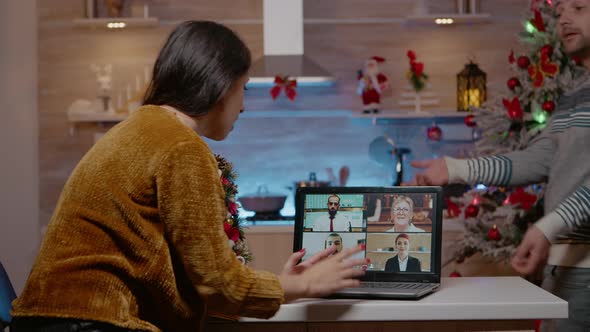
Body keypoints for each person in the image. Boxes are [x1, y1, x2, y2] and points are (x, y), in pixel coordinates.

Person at [10, 21, 369, 332]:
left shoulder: (142, 128)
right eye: (244, 88)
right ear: (220, 85)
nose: (243, 105)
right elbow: (218, 284)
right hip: (92, 323)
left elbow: (194, 277)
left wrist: (284, 284)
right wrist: (305, 285)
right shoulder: (181, 147)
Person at [408, 1, 590, 329]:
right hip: (563, 270)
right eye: (561, 9)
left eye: (578, 7)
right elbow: (539, 158)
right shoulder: (575, 96)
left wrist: (548, 228)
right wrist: (457, 169)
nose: (563, 18)